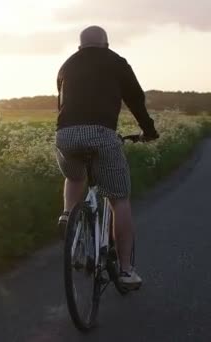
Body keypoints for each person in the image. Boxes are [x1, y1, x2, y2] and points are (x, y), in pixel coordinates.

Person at [55, 25, 159, 289]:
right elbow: (135, 99)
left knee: (74, 175)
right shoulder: (116, 62)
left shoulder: (66, 65)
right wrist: (148, 131)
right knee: (119, 200)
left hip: (65, 135)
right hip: (102, 135)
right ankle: (125, 271)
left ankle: (68, 214)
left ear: (80, 47)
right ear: (107, 44)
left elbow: (62, 103)